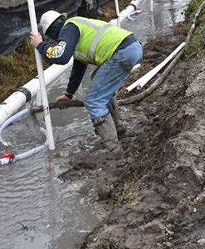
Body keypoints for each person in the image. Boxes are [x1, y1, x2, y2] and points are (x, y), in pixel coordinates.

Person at [30, 10, 142, 152]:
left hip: (122, 52)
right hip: (132, 47)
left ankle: (115, 149)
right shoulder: (76, 27)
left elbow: (61, 56)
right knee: (98, 81)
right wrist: (69, 94)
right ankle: (119, 130)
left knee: (93, 100)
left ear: (52, 31)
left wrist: (40, 45)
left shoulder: (68, 28)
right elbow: (79, 66)